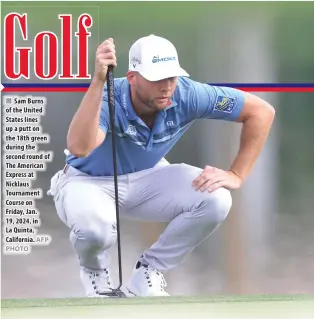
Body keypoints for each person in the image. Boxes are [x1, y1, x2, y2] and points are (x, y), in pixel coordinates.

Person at [47, 34, 275, 297]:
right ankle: (95, 273)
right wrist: (98, 82)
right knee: (94, 229)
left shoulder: (189, 95)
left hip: (147, 178)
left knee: (216, 199)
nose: (167, 86)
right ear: (132, 77)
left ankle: (148, 272)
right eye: (157, 79)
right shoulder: (108, 96)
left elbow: (261, 112)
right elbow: (80, 147)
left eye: (172, 76)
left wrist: (236, 174)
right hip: (86, 182)